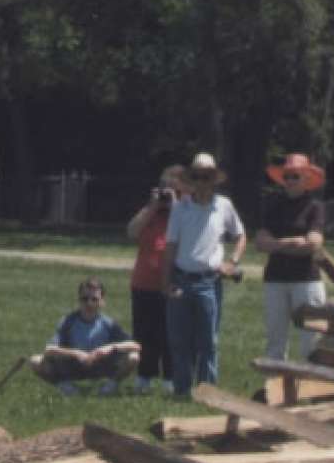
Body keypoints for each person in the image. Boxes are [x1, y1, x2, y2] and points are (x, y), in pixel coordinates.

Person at [162, 152, 245, 397]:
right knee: (179, 341)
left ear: (214, 179)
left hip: (209, 282)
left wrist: (232, 262)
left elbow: (240, 236)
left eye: (207, 176)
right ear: (192, 179)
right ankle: (182, 392)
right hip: (180, 279)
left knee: (208, 342)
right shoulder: (180, 209)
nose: (202, 181)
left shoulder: (224, 205)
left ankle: (207, 393)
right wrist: (165, 283)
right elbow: (170, 248)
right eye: (197, 177)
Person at [255, 153, 328, 361]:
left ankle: (313, 388)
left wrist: (275, 245)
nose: (290, 181)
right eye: (286, 176)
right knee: (275, 340)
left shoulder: (316, 207)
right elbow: (260, 242)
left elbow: (313, 244)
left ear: (306, 178)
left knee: (311, 340)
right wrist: (293, 242)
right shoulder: (272, 204)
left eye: (295, 176)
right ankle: (274, 389)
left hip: (306, 280)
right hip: (275, 280)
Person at [125, 164, 185, 393]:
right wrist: (153, 206)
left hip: (171, 283)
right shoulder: (150, 212)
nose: (168, 194)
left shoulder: (184, 213)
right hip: (143, 283)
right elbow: (131, 232)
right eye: (165, 189)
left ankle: (170, 377)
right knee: (145, 332)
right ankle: (144, 375)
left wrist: (176, 206)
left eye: (174, 190)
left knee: (170, 333)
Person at [29, 277, 142, 396]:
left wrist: (110, 348)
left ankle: (110, 386)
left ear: (102, 301)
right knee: (35, 361)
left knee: (133, 357)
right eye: (85, 299)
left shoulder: (108, 323)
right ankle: (65, 386)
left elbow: (135, 345)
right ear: (79, 300)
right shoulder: (68, 322)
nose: (89, 303)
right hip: (73, 366)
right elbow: (49, 350)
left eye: (94, 299)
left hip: (102, 366)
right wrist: (77, 353)